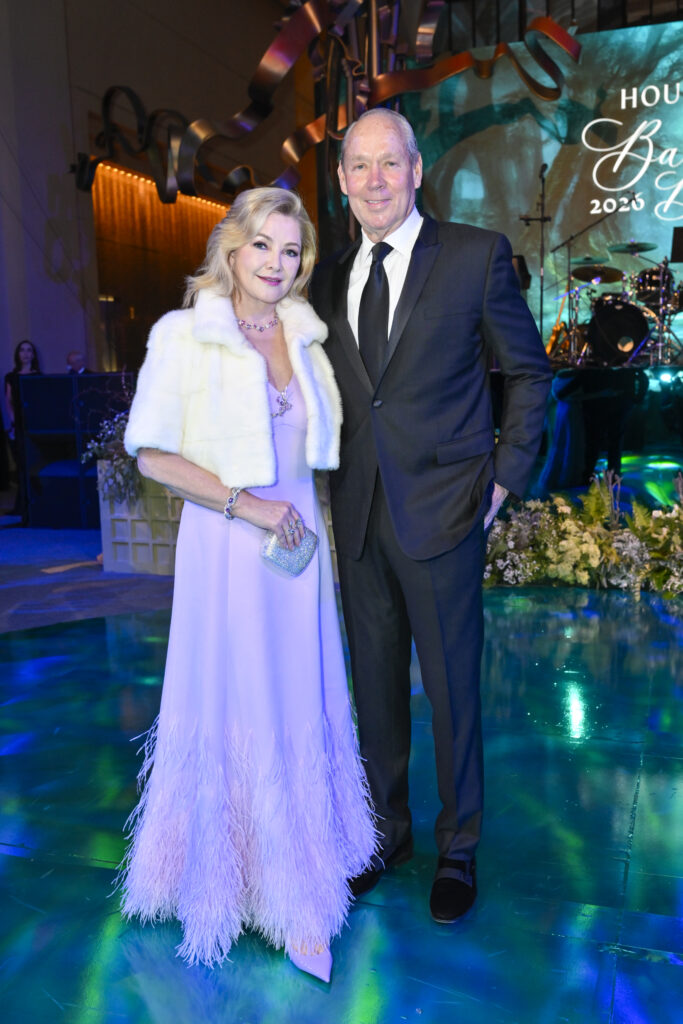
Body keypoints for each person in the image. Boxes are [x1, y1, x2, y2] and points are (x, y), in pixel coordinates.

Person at [119, 187, 376, 980]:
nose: (276, 263)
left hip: (298, 555)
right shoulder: (185, 335)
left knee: (300, 693)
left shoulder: (305, 335)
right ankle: (253, 890)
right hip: (229, 548)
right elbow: (151, 454)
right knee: (241, 695)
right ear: (230, 249)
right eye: (262, 245)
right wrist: (246, 504)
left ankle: (302, 875)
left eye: (291, 250)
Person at [310, 108, 552, 923]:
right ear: (341, 180)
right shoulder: (326, 274)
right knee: (372, 689)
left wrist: (504, 480)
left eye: (390, 164)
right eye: (358, 166)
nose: (374, 180)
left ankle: (458, 846)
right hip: (358, 513)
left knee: (452, 693)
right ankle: (386, 834)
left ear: (417, 171)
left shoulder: (476, 258)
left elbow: (527, 376)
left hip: (446, 512)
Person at [4, 340, 42, 521]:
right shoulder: (11, 377)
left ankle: (36, 502)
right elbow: (8, 401)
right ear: (18, 354)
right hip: (18, 425)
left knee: (33, 464)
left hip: (34, 425)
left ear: (33, 355)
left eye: (29, 350)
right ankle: (21, 505)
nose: (26, 354)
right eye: (22, 350)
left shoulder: (38, 376)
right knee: (21, 465)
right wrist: (12, 423)